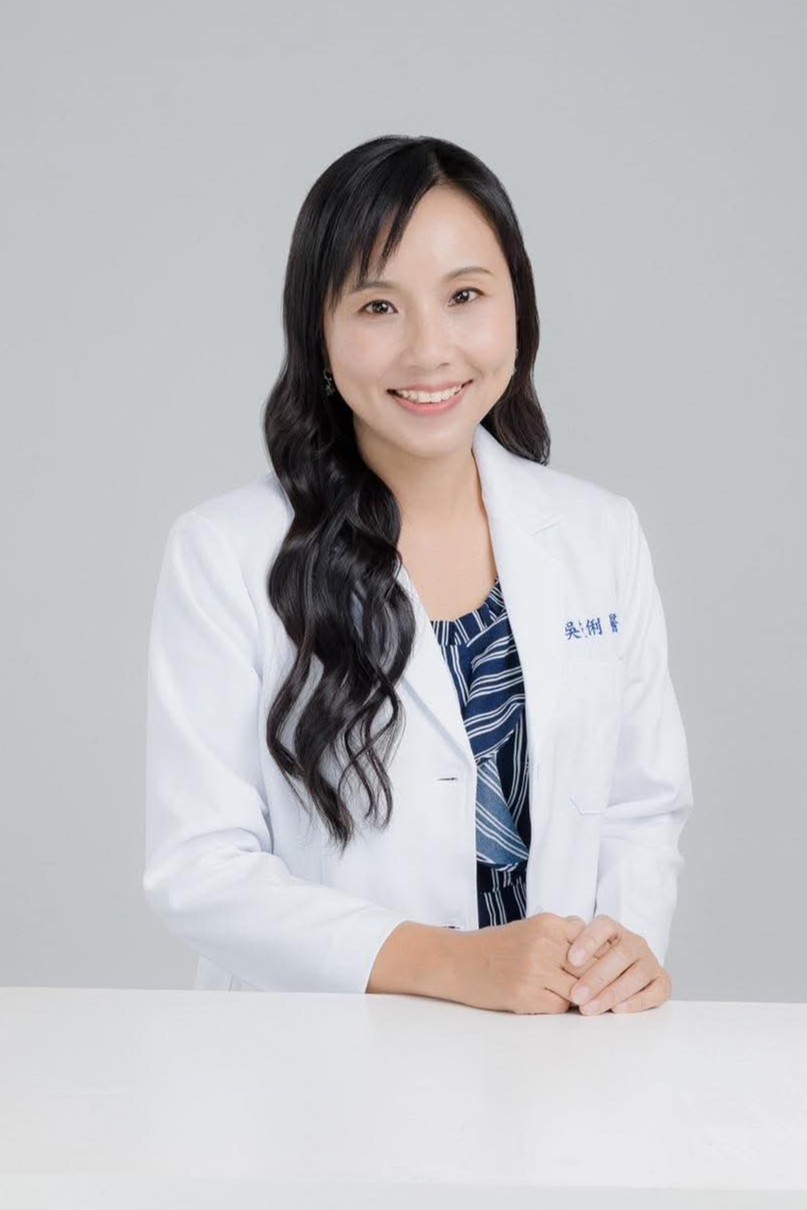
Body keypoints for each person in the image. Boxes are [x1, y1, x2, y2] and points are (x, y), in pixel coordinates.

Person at [143, 134, 693, 1016]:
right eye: (377, 307)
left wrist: (616, 958)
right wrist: (451, 964)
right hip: (314, 1063)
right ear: (318, 333)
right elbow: (199, 870)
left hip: (553, 1050)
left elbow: (639, 806)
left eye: (464, 296)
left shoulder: (600, 534)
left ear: (518, 310)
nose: (430, 350)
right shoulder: (225, 552)